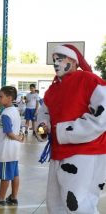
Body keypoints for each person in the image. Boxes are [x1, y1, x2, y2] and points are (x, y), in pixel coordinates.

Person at [36, 44, 106, 213]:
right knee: (55, 203)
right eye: (54, 60)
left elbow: (102, 115)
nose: (56, 63)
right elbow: (44, 114)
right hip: (59, 152)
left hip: (86, 152)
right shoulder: (52, 90)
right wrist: (42, 128)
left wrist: (65, 131)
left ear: (73, 61)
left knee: (77, 204)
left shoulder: (89, 80)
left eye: (60, 59)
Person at [0, 86, 24, 206]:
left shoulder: (6, 113)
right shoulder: (15, 111)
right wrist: (19, 137)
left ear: (9, 98)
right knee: (15, 174)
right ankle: (13, 197)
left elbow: (9, 133)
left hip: (6, 150)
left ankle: (1, 199)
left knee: (5, 175)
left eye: (1, 96)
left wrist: (17, 138)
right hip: (14, 150)